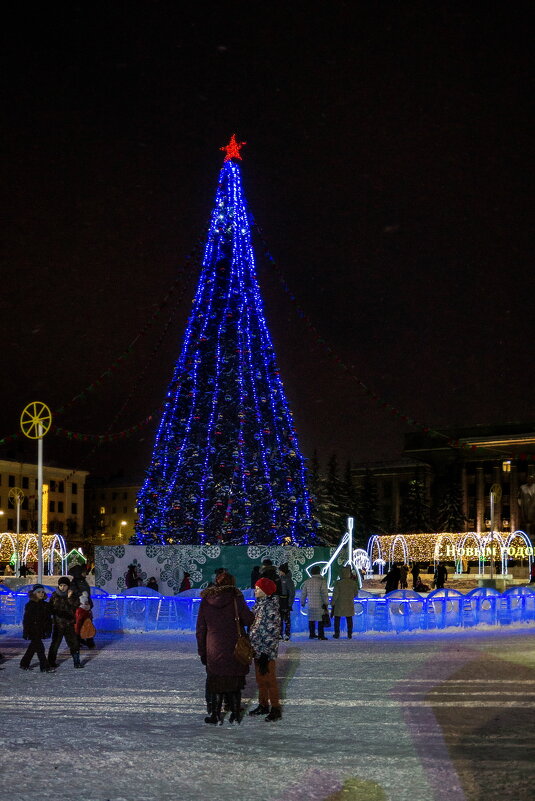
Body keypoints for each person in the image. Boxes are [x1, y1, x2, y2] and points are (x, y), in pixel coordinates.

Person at [196, 570, 255, 725]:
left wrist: (202, 651)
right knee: (234, 681)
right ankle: (235, 715)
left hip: (213, 647)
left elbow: (201, 629)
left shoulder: (206, 600)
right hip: (234, 646)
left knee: (216, 682)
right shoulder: (236, 598)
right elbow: (248, 620)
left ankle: (215, 715)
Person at [249, 577, 282, 721]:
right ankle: (263, 704)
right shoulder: (259, 605)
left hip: (266, 650)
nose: (255, 590)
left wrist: (266, 651)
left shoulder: (270, 607)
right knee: (260, 679)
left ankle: (275, 708)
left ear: (265, 591)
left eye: (258, 588)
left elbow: (272, 631)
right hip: (257, 647)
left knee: (270, 679)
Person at [48, 577, 82, 669]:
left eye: (65, 585)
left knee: (74, 644)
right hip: (58, 624)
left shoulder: (73, 595)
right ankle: (51, 662)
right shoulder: (54, 595)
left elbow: (75, 605)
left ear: (68, 586)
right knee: (55, 644)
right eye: (61, 585)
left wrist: (69, 597)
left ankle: (76, 661)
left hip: (69, 624)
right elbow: (50, 608)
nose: (62, 587)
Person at [20, 583, 53, 672]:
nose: (41, 594)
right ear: (34, 593)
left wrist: (48, 630)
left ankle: (24, 663)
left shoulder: (46, 605)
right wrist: (26, 631)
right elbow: (26, 620)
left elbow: (48, 619)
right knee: (40, 649)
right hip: (33, 630)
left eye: (42, 592)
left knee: (32, 648)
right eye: (39, 592)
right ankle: (44, 667)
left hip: (41, 630)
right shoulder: (30, 605)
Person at [69, 564, 95, 649]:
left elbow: (87, 594)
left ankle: (88, 640)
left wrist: (89, 603)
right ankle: (78, 641)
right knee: (78, 624)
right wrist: (81, 597)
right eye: (84, 572)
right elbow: (74, 593)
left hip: (86, 606)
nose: (85, 573)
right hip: (79, 607)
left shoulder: (83, 581)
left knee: (88, 623)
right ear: (79, 573)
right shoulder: (74, 582)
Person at [301, 564, 329, 640]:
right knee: (320, 620)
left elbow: (304, 593)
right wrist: (326, 603)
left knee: (311, 619)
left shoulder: (307, 582)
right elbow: (324, 593)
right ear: (319, 572)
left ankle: (312, 634)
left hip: (311, 604)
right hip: (320, 604)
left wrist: (302, 602)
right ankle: (321, 635)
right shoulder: (322, 581)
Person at [331, 565, 357, 639]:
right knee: (349, 619)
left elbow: (335, 594)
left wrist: (332, 603)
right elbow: (355, 593)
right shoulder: (353, 583)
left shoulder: (338, 583)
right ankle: (349, 634)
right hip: (349, 603)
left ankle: (337, 634)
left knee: (337, 619)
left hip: (339, 604)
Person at [277, 563, 295, 640]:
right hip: (280, 601)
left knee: (286, 619)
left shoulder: (288, 580)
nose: (279, 572)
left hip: (285, 601)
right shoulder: (279, 579)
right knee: (279, 619)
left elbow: (292, 593)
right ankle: (280, 634)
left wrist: (290, 604)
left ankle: (287, 634)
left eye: (280, 571)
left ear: (283, 571)